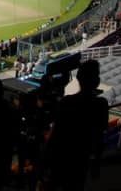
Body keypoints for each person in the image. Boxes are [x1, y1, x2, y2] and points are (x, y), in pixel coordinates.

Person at [42, 59, 108, 191]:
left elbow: (55, 135)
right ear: (97, 81)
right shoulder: (101, 104)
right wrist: (96, 163)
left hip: (61, 158)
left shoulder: (66, 102)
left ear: (78, 78)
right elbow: (99, 137)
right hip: (80, 160)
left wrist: (44, 162)